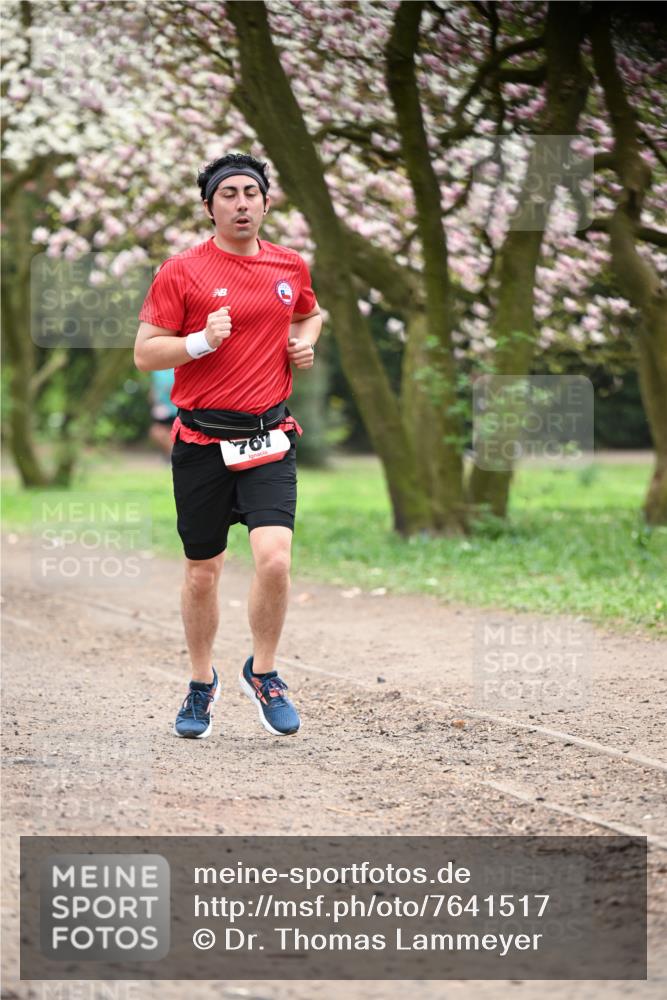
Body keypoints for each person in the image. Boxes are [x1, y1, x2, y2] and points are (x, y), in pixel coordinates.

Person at [133, 152, 322, 741]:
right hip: (201, 440)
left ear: (266, 202)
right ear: (210, 207)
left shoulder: (290, 264)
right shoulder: (181, 271)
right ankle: (199, 683)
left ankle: (263, 672)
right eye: (228, 195)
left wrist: (302, 343)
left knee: (275, 559)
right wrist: (198, 342)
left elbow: (312, 313)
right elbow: (145, 353)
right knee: (202, 573)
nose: (241, 203)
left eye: (250, 193)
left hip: (268, 435)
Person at [148, 368, 178, 459]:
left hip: (179, 408)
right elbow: (154, 389)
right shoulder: (156, 371)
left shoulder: (178, 367)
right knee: (156, 432)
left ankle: (173, 454)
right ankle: (172, 453)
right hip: (162, 409)